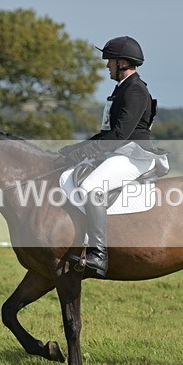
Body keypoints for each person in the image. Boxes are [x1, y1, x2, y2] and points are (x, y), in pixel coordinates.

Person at [60, 36, 168, 277]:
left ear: (122, 62)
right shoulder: (122, 88)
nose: (107, 65)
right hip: (120, 151)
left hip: (134, 155)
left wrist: (85, 151)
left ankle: (98, 254)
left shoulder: (136, 91)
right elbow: (107, 132)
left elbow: (119, 134)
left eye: (110, 61)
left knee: (91, 186)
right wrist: (76, 148)